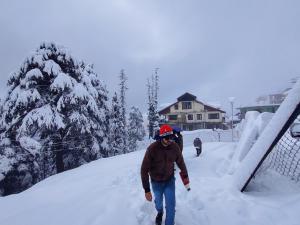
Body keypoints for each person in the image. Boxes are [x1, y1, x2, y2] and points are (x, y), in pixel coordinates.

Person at [141, 124, 189, 225]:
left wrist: (186, 181)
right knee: (158, 203)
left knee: (171, 205)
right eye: (167, 138)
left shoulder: (175, 147)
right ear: (162, 137)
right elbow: (144, 170)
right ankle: (160, 212)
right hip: (156, 181)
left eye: (171, 137)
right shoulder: (152, 149)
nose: (170, 140)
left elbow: (181, 163)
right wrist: (147, 190)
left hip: (169, 180)